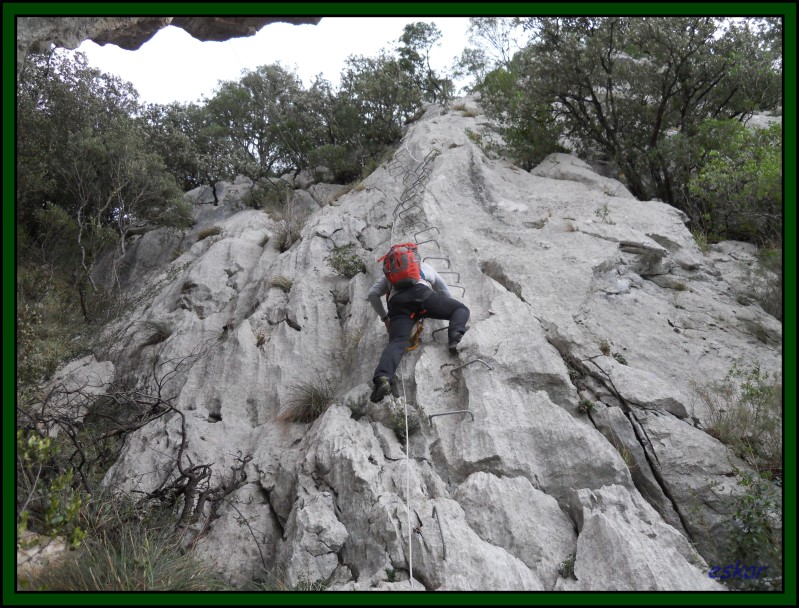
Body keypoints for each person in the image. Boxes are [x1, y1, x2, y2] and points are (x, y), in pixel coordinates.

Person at [367, 260, 469, 403]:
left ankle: (383, 379)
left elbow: (372, 294)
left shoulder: (390, 275)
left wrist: (385, 319)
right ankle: (455, 337)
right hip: (422, 297)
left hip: (399, 306)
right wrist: (445, 309)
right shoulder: (423, 266)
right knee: (461, 309)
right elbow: (444, 291)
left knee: (397, 342)